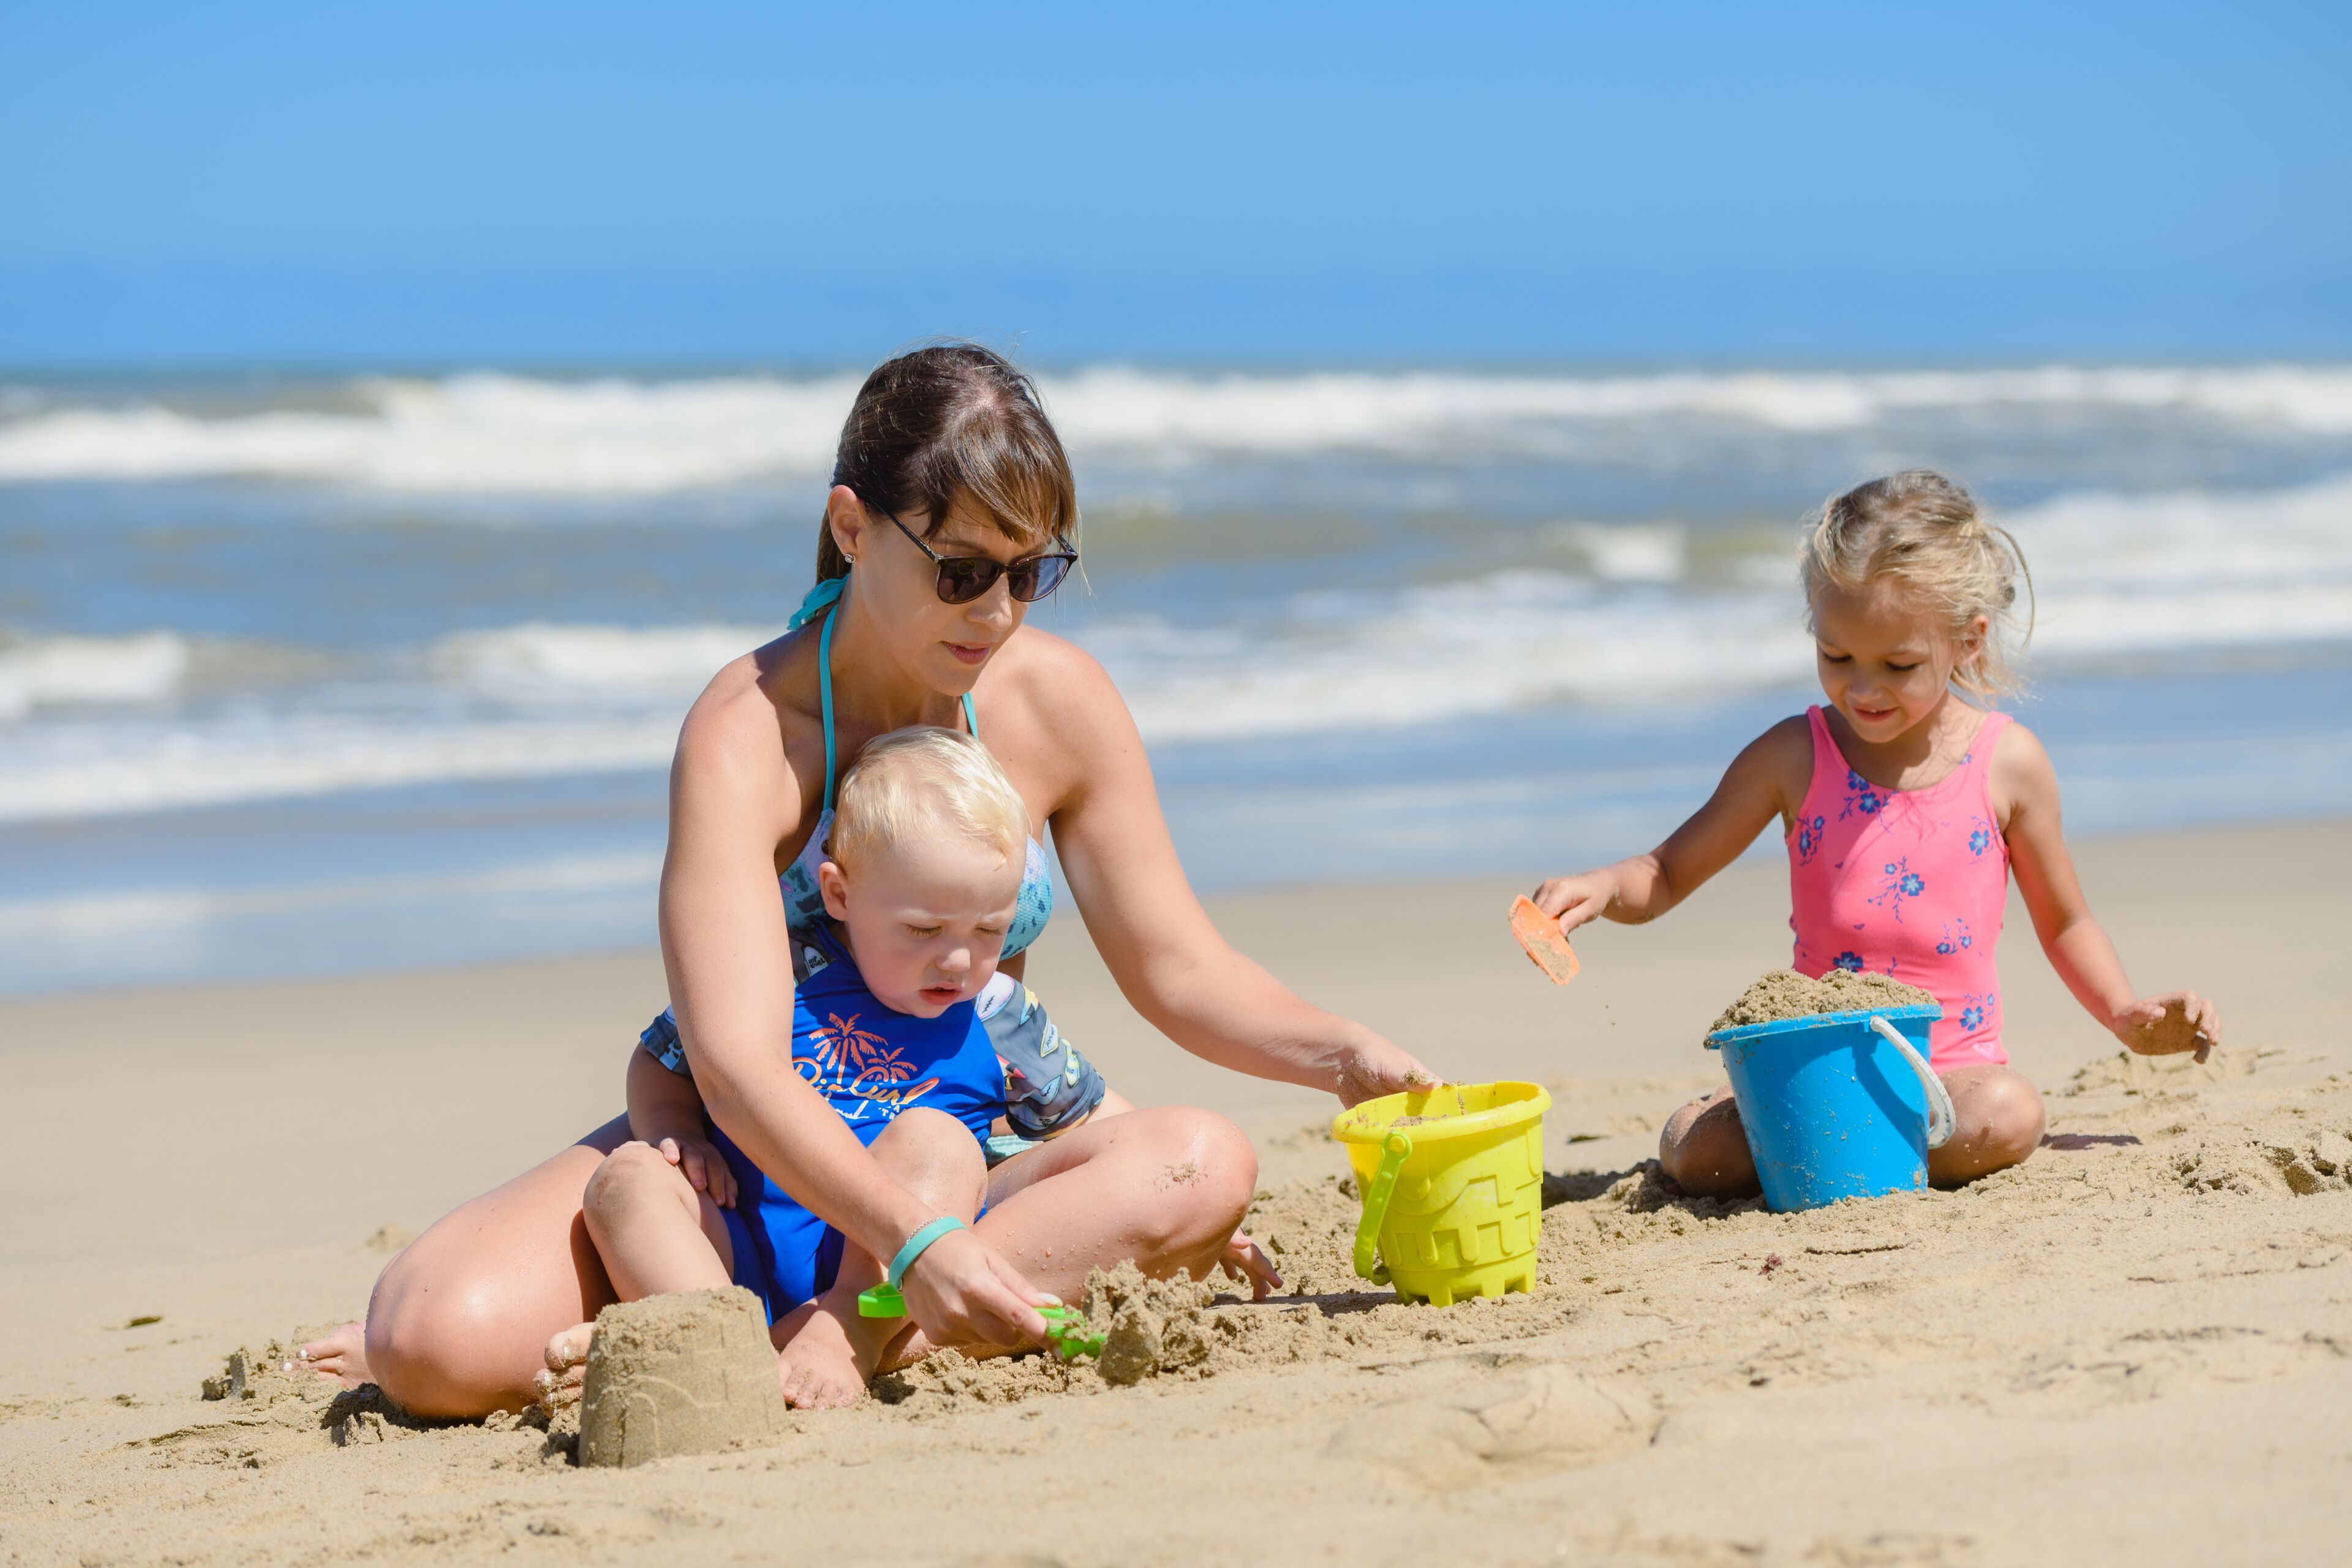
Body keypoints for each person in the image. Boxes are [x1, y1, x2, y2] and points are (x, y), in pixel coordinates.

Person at [299, 342, 1434, 1415]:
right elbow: (733, 1067)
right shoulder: (750, 733)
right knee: (432, 1341)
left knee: (1202, 1161)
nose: (995, 612)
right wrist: (913, 1239)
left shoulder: (1055, 702)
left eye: (1029, 572)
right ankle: (800, 1314)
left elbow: (1178, 966)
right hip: (756, 1157)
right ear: (852, 527)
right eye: (961, 571)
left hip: (953, 1147)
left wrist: (1344, 1056)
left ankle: (839, 1328)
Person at [1529, 470, 2220, 1196]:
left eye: (1898, 665)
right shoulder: (1793, 757)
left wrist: (2123, 1012)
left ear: (1968, 641)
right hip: (1811, 1070)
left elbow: (2067, 920)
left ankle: (1839, 1155)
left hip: (1948, 1078)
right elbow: (1666, 874)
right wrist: (1603, 887)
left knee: (2011, 1113)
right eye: (1837, 657)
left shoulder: (2008, 765)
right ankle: (1847, 1147)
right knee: (1698, 1154)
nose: (1862, 689)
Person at [558, 725, 1192, 1408]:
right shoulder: (783, 973)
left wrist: (1189, 1202)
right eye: (923, 929)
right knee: (624, 1178)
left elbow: (1096, 1123)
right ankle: (703, 1331)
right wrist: (672, 1128)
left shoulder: (999, 1014)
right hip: (738, 1241)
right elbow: (662, 1060)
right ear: (839, 894)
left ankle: (844, 1334)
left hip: (883, 1275)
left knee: (939, 1140)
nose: (957, 960)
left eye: (989, 931)